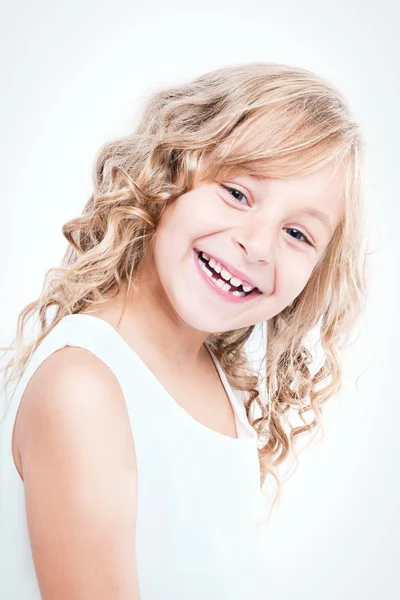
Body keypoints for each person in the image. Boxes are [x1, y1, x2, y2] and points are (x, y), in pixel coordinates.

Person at [0, 62, 369, 599]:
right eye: (238, 193)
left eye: (296, 232)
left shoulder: (215, 379)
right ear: (170, 173)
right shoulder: (85, 386)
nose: (258, 246)